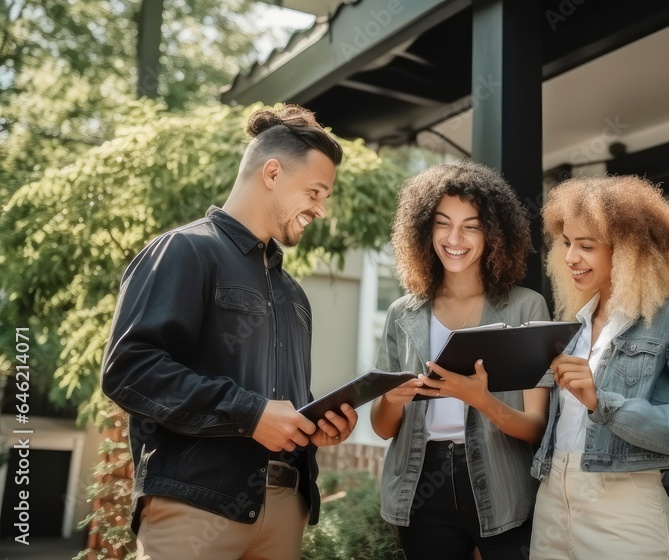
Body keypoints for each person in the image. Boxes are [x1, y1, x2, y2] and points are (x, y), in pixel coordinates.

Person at [101, 105, 358, 560]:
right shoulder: (184, 251)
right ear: (272, 172)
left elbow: (277, 402)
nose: (320, 209)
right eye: (315, 192)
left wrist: (314, 425)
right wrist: (251, 413)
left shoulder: (294, 294)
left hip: (284, 509)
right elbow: (130, 370)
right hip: (194, 505)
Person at [529, 175, 669, 560]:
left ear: (630, 251)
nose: (570, 258)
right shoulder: (570, 324)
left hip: (623, 509)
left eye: (586, 245)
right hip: (552, 500)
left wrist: (605, 403)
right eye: (566, 243)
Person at [370, 160, 550, 559]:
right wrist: (392, 400)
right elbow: (383, 429)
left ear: (494, 233)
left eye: (471, 225)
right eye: (442, 222)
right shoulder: (403, 313)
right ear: (423, 229)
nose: (455, 237)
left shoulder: (527, 308)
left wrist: (481, 400)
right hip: (420, 485)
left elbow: (537, 429)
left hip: (503, 482)